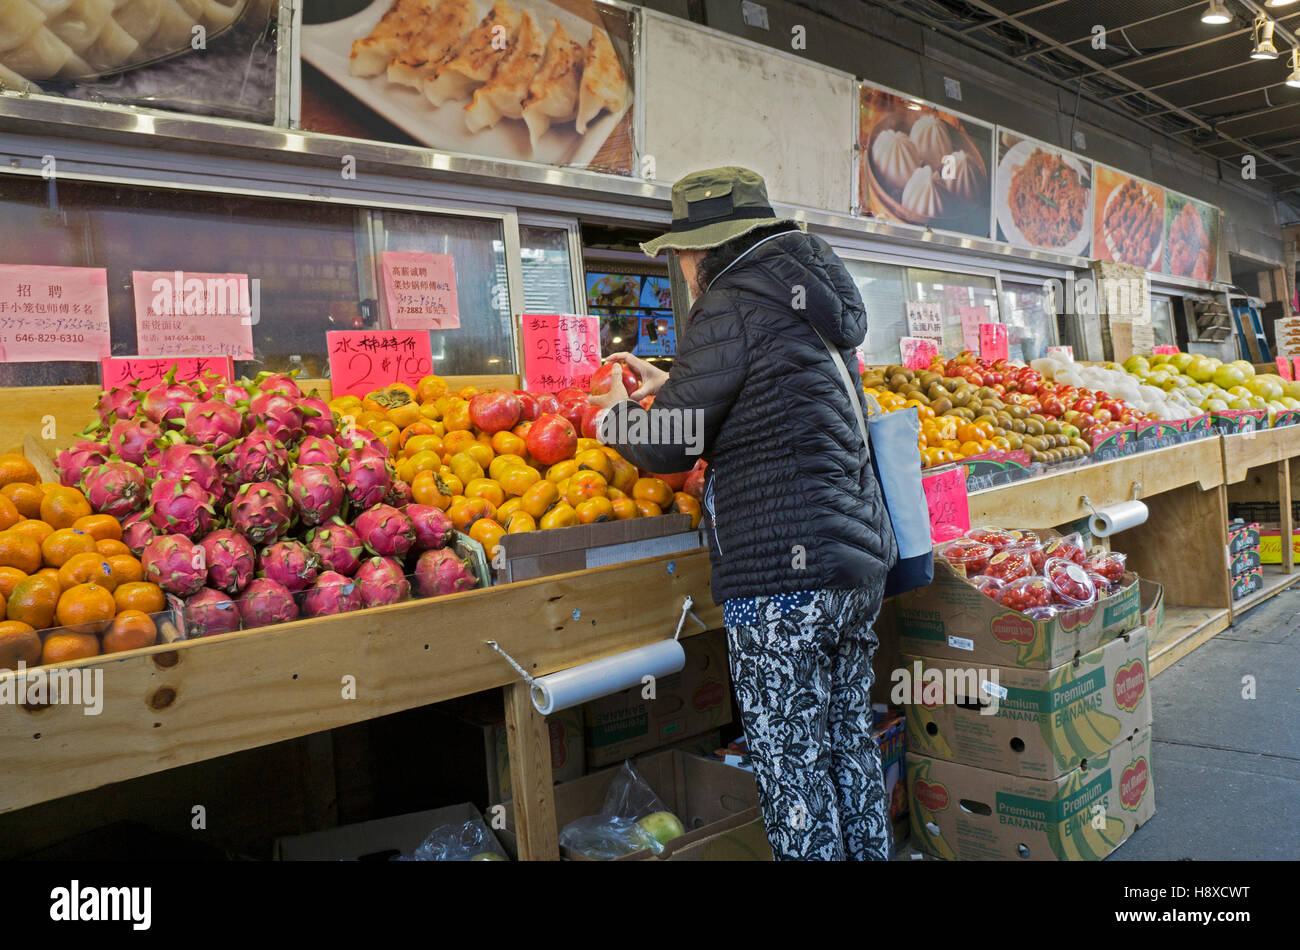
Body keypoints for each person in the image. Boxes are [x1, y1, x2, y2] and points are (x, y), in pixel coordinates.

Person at [588, 167, 898, 861]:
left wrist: (614, 415)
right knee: (846, 740)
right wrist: (675, 382)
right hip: (852, 562)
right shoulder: (802, 293)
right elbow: (777, 390)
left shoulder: (728, 305)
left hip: (784, 579)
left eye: (684, 252)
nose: (684, 265)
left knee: (791, 766)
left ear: (707, 249)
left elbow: (668, 447)